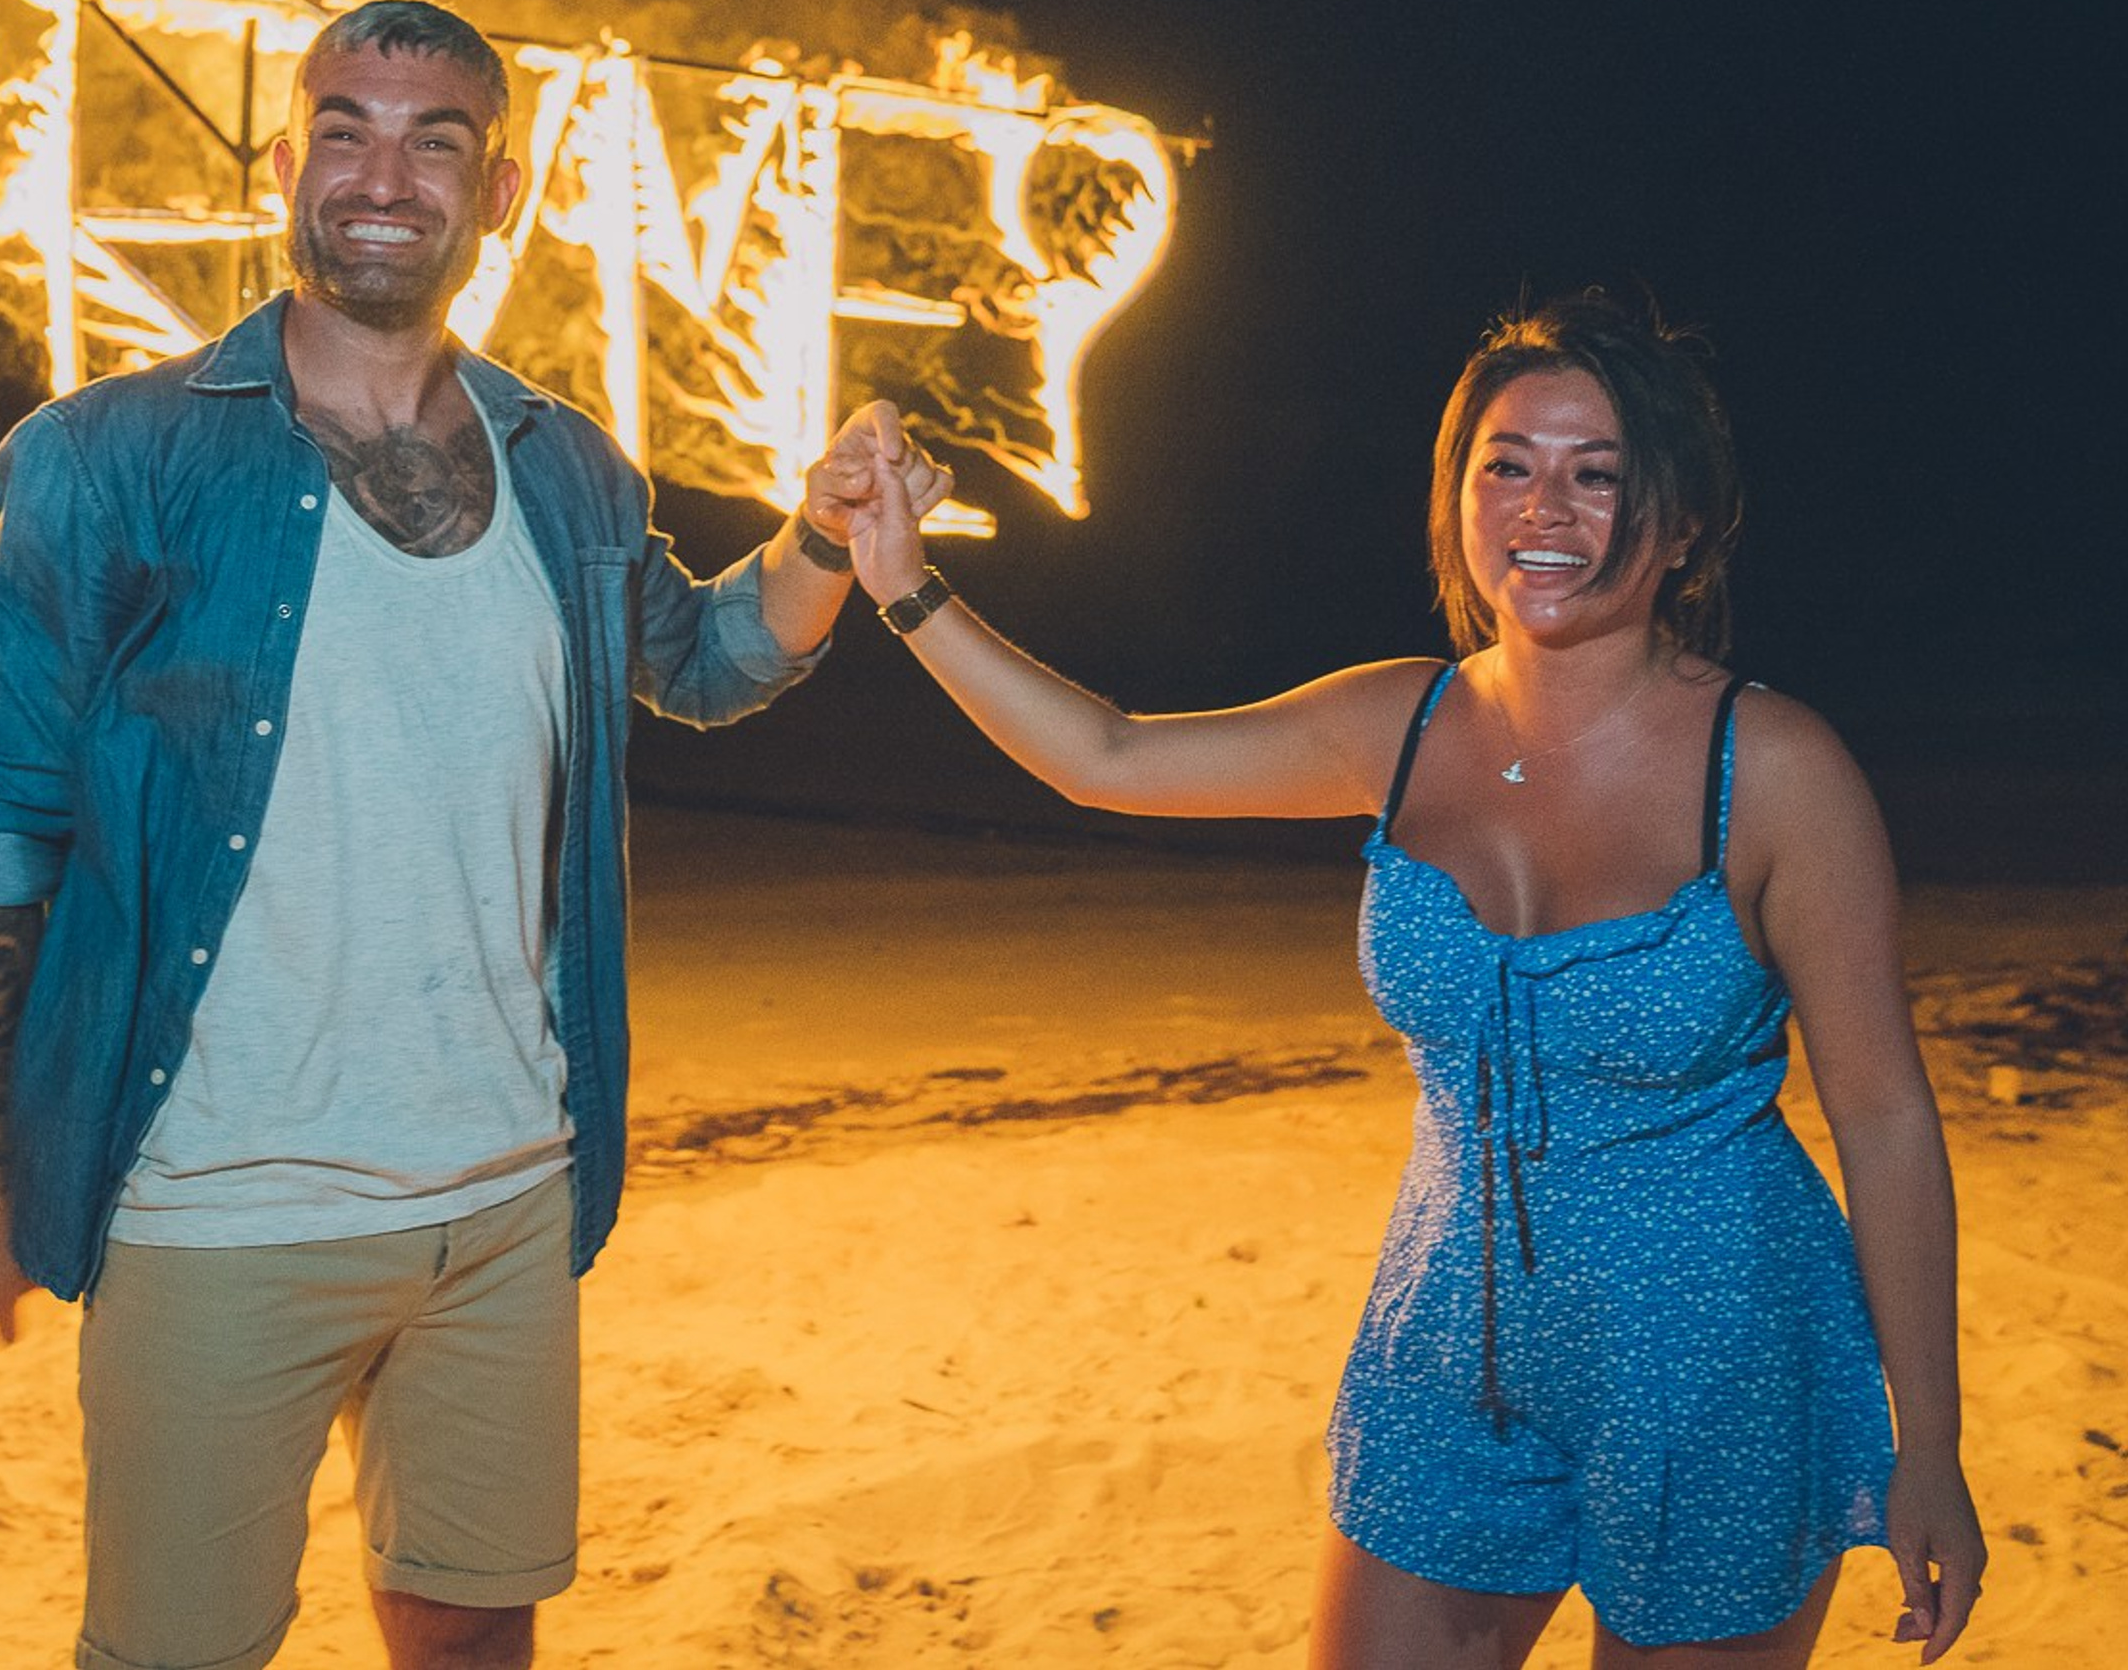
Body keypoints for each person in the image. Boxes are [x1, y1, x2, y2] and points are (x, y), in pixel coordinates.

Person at [0, 0, 929, 1670]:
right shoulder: (112, 463)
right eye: (346, 126)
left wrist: (821, 536)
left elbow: (697, 663)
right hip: (217, 1202)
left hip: (509, 1192)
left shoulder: (573, 469)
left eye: (435, 139)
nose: (385, 172)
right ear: (286, 161)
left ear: (499, 191)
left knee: (471, 1638)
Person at [841, 294, 1985, 1669]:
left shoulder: (1779, 773)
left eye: (1597, 471)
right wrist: (901, 581)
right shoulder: (1397, 722)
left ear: (1684, 523)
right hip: (1447, 1348)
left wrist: (1934, 1445)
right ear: (1457, 499)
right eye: (1505, 463)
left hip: (1720, 1362)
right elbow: (1112, 753)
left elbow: (1884, 1115)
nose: (1542, 507)